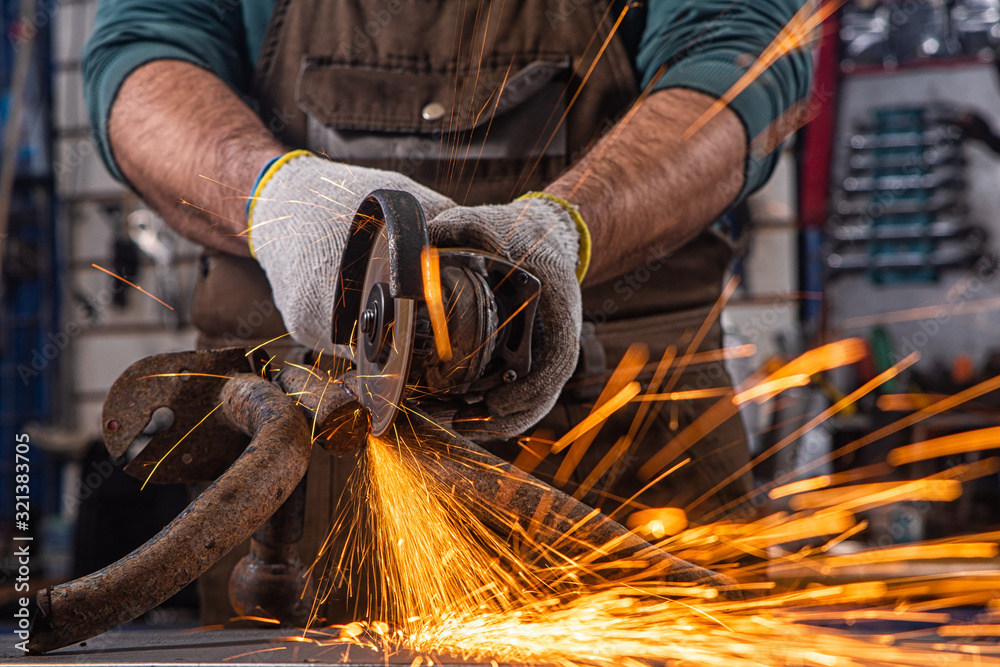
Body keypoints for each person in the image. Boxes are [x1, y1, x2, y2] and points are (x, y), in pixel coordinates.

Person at [83, 0, 812, 620]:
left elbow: (741, 56)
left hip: (624, 456)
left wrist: (565, 229)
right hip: (308, 475)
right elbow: (146, 49)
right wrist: (272, 197)